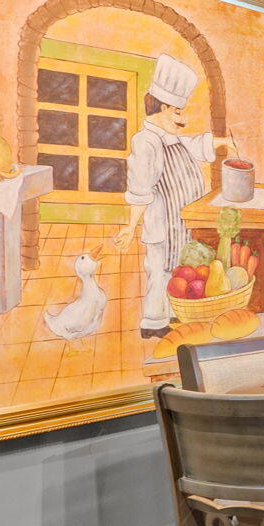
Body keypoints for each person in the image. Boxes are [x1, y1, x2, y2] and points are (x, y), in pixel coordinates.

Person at [110, 54, 230, 337]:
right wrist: (130, 227)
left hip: (183, 222)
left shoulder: (171, 137)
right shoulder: (146, 141)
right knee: (160, 271)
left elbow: (195, 144)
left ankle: (176, 314)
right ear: (162, 108)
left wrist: (223, 142)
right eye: (177, 112)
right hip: (164, 224)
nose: (182, 120)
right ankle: (153, 323)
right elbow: (140, 189)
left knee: (181, 270)